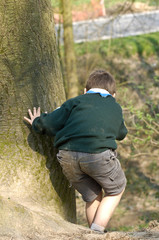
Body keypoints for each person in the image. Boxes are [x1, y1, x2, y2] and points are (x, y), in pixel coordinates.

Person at [24, 69, 128, 234]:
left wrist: (37, 122)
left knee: (93, 196)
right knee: (116, 188)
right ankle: (97, 231)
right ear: (113, 95)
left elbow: (51, 123)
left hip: (67, 156)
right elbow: (121, 134)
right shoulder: (114, 107)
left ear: (85, 91)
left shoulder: (75, 102)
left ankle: (93, 234)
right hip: (97, 155)